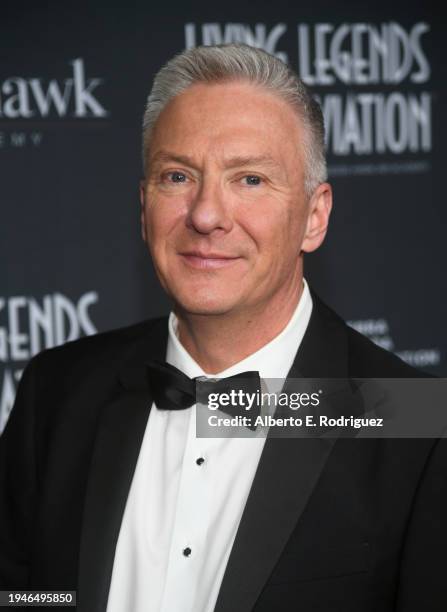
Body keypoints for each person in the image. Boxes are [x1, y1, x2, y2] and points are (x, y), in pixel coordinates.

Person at [0, 43, 445, 612]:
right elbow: (28, 595)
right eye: (178, 175)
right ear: (144, 207)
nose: (206, 214)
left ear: (314, 216)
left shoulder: (412, 423)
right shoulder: (57, 392)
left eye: (250, 179)